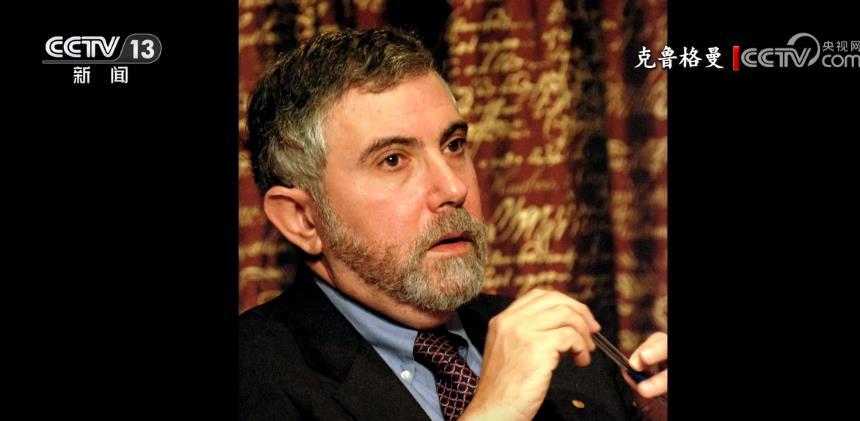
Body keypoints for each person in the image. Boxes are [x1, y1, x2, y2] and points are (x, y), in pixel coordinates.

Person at [240, 28, 668, 421]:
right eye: (393, 160)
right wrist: (494, 413)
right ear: (302, 219)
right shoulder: (255, 375)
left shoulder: (561, 351)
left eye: (454, 144)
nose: (453, 187)